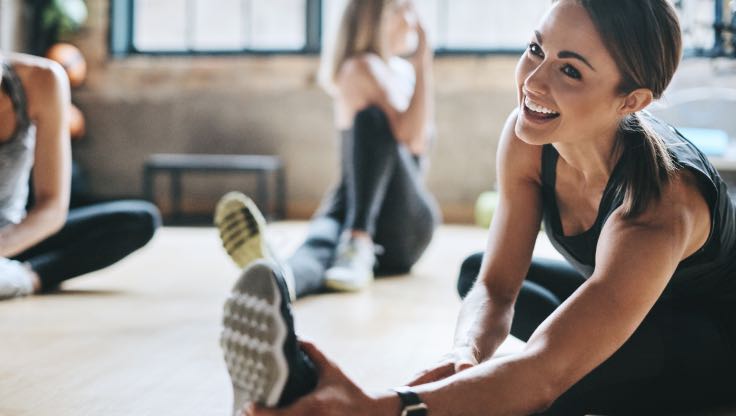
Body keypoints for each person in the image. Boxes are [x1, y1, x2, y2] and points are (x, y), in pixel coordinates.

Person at [224, 0, 736, 415]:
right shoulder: (529, 139)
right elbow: (495, 286)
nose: (534, 82)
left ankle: (309, 394)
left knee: (548, 388)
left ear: (632, 101)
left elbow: (544, 368)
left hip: (711, 339)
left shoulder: (657, 210)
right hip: (629, 308)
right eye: (537, 48)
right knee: (475, 279)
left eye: (570, 71)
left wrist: (384, 408)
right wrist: (463, 354)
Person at [215, 0, 439, 297]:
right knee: (316, 248)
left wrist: (421, 62)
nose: (413, 20)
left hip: (402, 224)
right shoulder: (360, 67)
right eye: (404, 9)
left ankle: (356, 240)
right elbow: (412, 137)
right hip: (351, 214)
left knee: (329, 236)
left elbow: (415, 143)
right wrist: (423, 56)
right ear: (380, 18)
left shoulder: (399, 72)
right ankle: (277, 280)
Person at [0, 52, 160, 300]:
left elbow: (52, 207)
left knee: (140, 220)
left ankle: (30, 278)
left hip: (16, 235)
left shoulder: (44, 79)